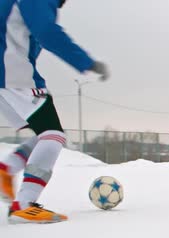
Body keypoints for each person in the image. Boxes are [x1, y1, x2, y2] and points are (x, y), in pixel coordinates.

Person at [0, 0, 108, 223]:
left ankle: (6, 169)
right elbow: (46, 31)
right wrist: (85, 62)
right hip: (12, 73)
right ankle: (24, 204)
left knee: (43, 135)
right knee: (53, 135)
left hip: (6, 78)